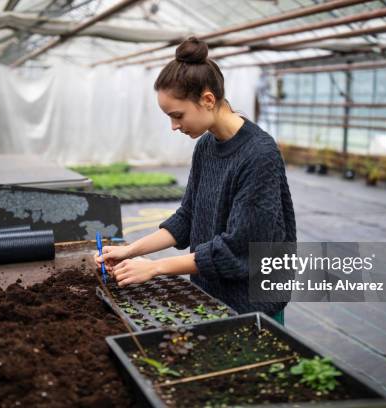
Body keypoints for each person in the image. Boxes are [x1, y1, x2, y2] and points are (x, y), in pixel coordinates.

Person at [95, 37, 296, 324]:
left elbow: (239, 247)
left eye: (177, 115)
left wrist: (155, 268)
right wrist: (130, 250)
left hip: (253, 305)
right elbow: (187, 218)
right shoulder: (206, 146)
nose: (174, 126)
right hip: (210, 295)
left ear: (208, 100)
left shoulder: (259, 154)